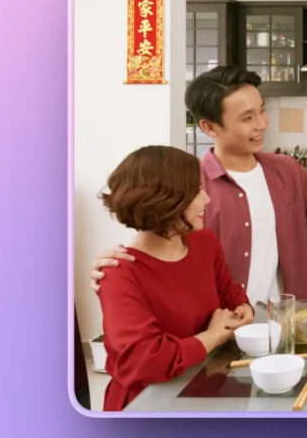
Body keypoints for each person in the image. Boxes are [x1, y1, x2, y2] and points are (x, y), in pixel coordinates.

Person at [88, 66, 307, 303]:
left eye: (261, 110)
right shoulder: (188, 184)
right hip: (216, 326)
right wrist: (121, 265)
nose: (261, 124)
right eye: (247, 118)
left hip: (287, 324)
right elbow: (156, 243)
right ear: (210, 128)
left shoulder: (286, 171)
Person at [96, 146, 253, 411]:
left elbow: (228, 291)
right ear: (165, 200)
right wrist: (215, 335)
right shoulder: (119, 273)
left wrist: (243, 309)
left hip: (204, 385)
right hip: (148, 405)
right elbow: (146, 361)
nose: (207, 199)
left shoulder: (204, 241)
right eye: (196, 191)